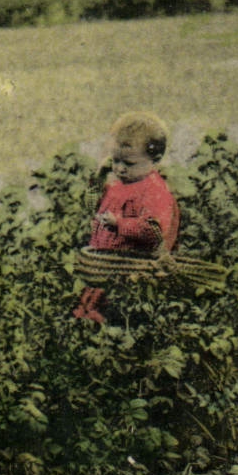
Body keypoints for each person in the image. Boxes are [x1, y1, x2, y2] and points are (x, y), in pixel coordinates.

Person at [73, 111, 180, 325]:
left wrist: (120, 224)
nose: (120, 169)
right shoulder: (117, 186)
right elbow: (90, 206)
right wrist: (99, 177)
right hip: (104, 270)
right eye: (115, 161)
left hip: (130, 276)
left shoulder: (154, 191)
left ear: (155, 159)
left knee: (121, 321)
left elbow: (155, 231)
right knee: (90, 316)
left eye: (129, 163)